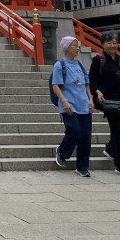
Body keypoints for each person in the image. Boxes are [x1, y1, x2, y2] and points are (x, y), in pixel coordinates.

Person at [88, 30, 120, 177]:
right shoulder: (99, 60)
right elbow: (92, 80)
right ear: (102, 44)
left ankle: (110, 148)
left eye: (115, 43)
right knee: (116, 130)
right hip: (109, 101)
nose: (113, 45)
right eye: (109, 43)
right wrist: (97, 91)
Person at [52, 36, 94, 177]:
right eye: (74, 45)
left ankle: (82, 167)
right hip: (69, 105)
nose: (77, 48)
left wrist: (91, 99)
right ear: (66, 47)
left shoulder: (80, 65)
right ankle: (62, 152)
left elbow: (86, 83)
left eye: (78, 45)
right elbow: (55, 85)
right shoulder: (60, 65)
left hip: (84, 105)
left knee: (85, 137)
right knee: (74, 130)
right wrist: (64, 101)